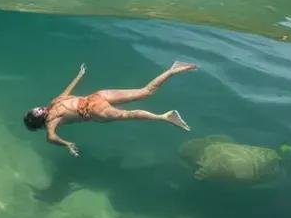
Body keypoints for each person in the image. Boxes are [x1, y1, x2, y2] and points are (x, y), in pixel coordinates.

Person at [22, 61, 196, 157]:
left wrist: (67, 144)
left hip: (94, 110)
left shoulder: (51, 119)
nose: (38, 108)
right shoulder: (53, 104)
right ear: (39, 117)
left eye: (35, 109)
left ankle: (164, 117)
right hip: (97, 96)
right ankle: (172, 70)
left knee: (129, 114)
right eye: (36, 111)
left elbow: (51, 138)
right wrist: (80, 75)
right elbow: (68, 91)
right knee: (145, 92)